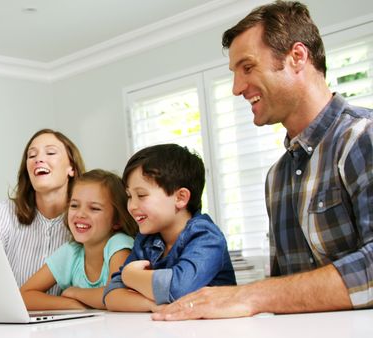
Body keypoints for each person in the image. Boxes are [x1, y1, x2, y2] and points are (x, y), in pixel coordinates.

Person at [152, 1, 373, 321]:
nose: (236, 88)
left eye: (247, 67)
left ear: (297, 57)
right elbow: (288, 289)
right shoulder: (277, 178)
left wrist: (251, 293)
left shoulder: (362, 137)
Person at [103, 144, 236, 311]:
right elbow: (111, 295)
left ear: (180, 198)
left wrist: (130, 275)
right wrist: (152, 305)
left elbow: (178, 288)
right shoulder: (146, 240)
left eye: (141, 195)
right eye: (130, 196)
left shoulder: (206, 236)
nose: (131, 206)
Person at [20, 169, 138, 310]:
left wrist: (75, 293)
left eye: (94, 208)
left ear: (117, 220)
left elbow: (114, 294)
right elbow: (24, 296)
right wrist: (71, 304)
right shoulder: (72, 252)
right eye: (74, 205)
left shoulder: (119, 244)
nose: (80, 214)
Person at [0, 129, 85, 295]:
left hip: (72, 319)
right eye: (31, 155)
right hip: (13, 318)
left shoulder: (85, 219)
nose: (39, 159)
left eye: (50, 152)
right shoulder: (4, 213)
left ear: (72, 168)